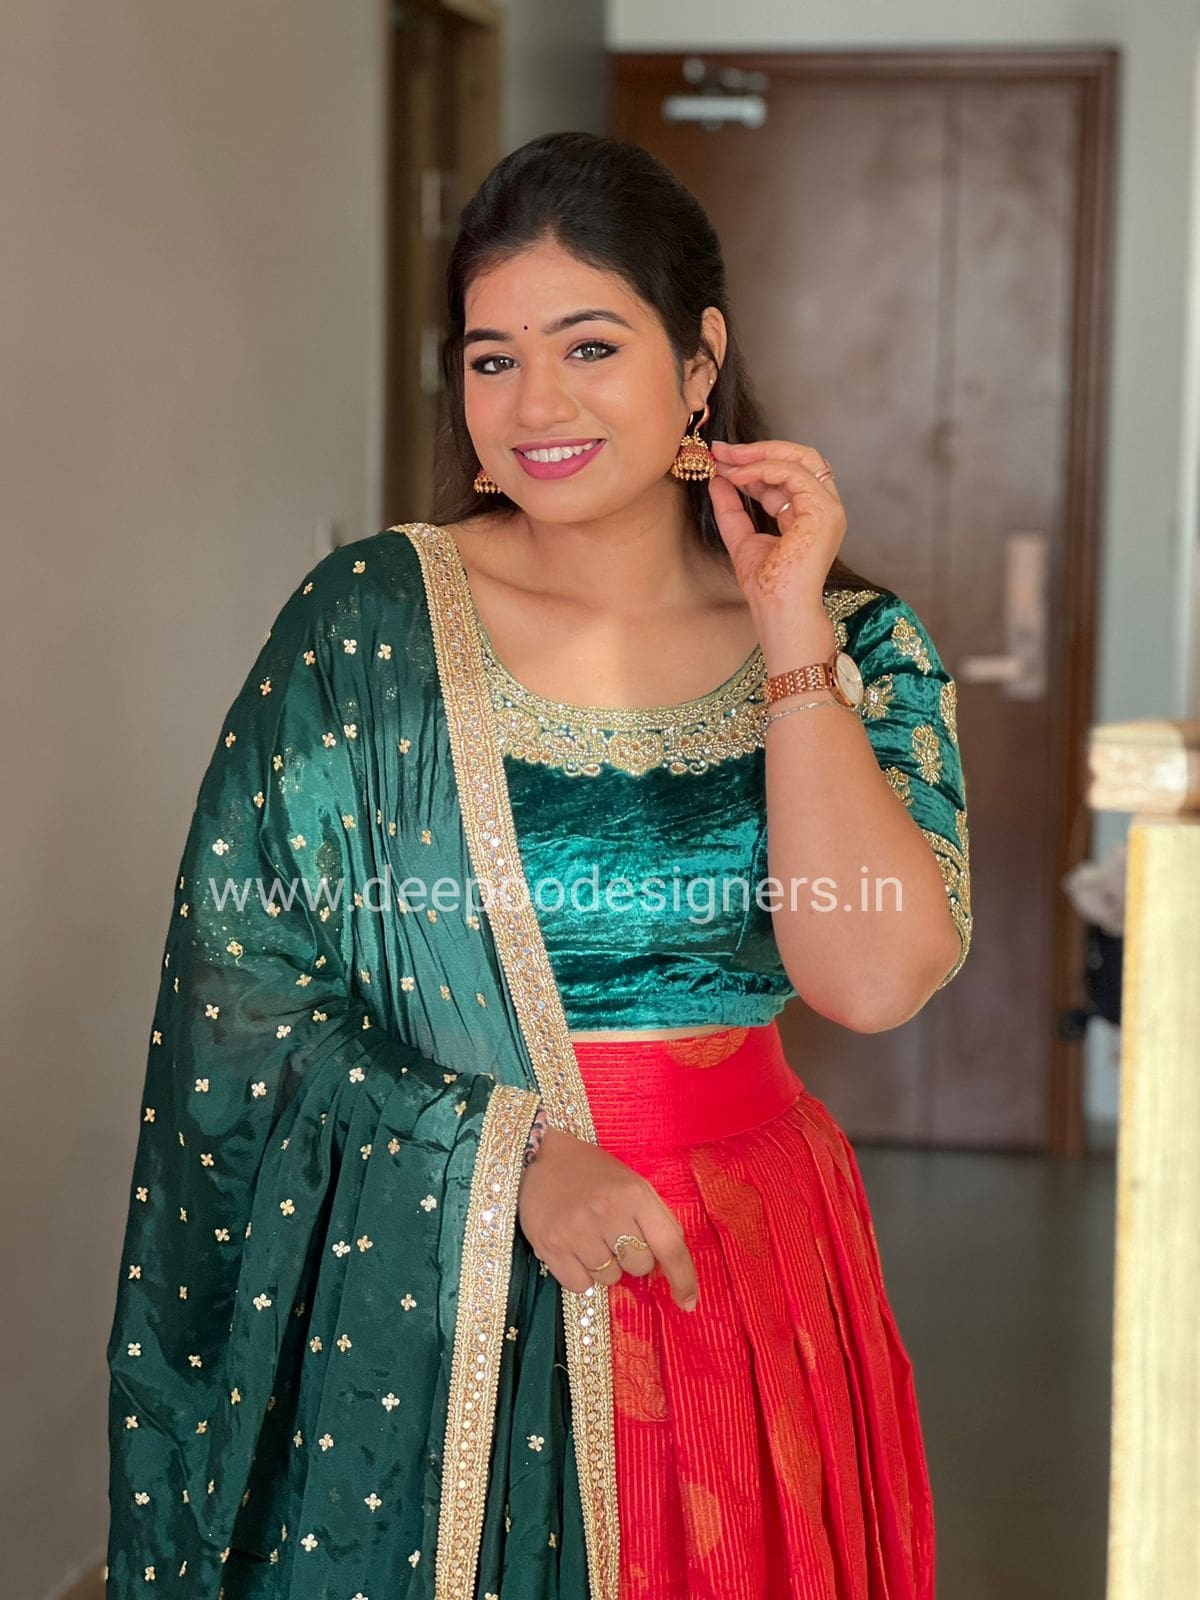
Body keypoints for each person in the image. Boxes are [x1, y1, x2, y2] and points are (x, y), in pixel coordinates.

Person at [105, 131, 970, 1599]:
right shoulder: (369, 628)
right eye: (491, 359)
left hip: (739, 1271)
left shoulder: (856, 644)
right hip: (447, 1279)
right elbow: (242, 996)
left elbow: (873, 979)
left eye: (590, 346)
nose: (536, 406)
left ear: (700, 362)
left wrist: (788, 629)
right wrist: (503, 1159)